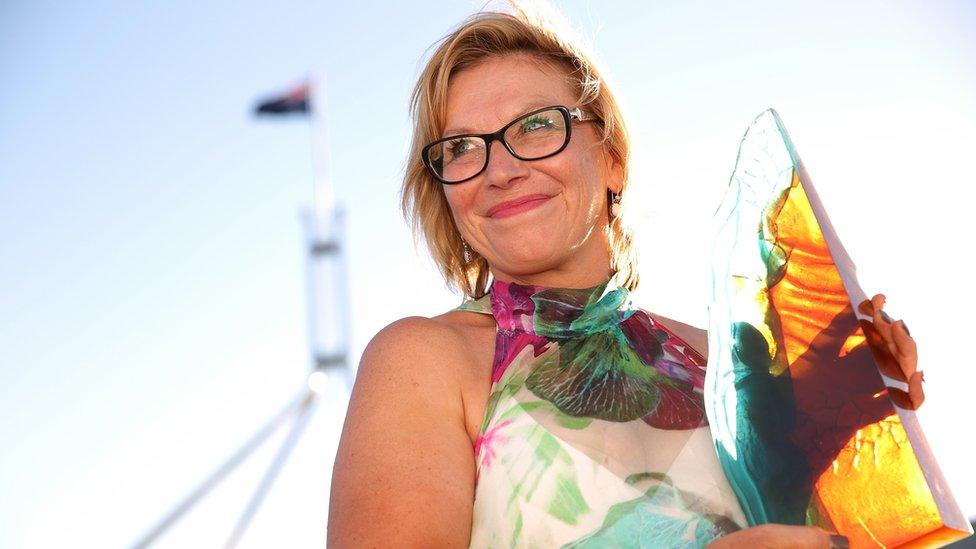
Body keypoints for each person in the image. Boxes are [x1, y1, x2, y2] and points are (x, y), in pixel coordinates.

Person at [327, 6, 923, 548]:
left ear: (611, 157)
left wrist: (831, 431)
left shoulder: (721, 362)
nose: (499, 170)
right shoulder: (421, 359)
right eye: (460, 147)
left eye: (536, 125)